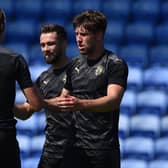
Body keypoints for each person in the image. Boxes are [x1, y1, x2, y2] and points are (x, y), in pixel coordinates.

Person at [56, 10, 128, 168]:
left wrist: (81, 104)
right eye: (76, 34)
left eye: (84, 34)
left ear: (99, 35)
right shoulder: (74, 64)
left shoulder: (114, 63)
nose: (78, 40)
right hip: (74, 148)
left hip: (102, 149)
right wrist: (39, 101)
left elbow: (113, 100)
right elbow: (63, 100)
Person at [0, 8, 41, 168]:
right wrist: (12, 108)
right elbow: (35, 104)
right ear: (3, 26)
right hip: (4, 138)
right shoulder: (14, 59)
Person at [35, 24, 73, 168]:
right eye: (42, 45)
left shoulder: (79, 71)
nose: (45, 49)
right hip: (50, 151)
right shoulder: (43, 78)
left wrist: (40, 102)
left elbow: (63, 104)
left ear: (64, 43)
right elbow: (27, 110)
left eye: (50, 44)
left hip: (76, 150)